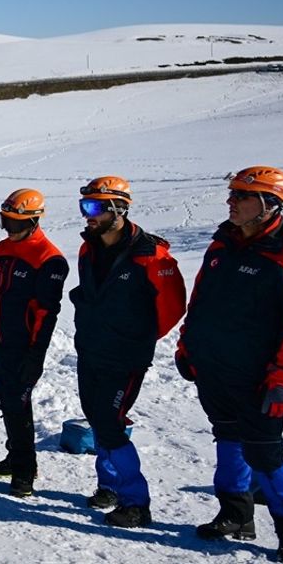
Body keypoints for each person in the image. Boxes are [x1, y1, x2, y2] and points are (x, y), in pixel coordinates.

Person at [176, 167, 283, 564]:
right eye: (232, 194)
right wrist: (188, 345)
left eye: (241, 195)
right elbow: (200, 301)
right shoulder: (222, 246)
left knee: (266, 457)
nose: (231, 202)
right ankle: (235, 514)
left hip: (259, 378)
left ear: (269, 203)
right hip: (214, 369)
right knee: (227, 440)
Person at [70, 176, 186, 528]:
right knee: (98, 419)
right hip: (90, 349)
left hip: (125, 357)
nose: (87, 215)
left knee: (110, 422)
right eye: (84, 206)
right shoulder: (88, 248)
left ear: (118, 209)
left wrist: (134, 337)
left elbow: (172, 308)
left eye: (93, 207)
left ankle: (136, 502)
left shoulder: (151, 256)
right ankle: (109, 487)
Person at [0, 188, 69, 496]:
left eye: (13, 224)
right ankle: (15, 457)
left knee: (18, 403)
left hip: (24, 345)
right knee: (7, 400)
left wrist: (35, 354)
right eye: (4, 222)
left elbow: (46, 313)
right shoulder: (3, 248)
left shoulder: (49, 259)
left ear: (32, 221)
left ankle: (25, 470)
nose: (7, 229)